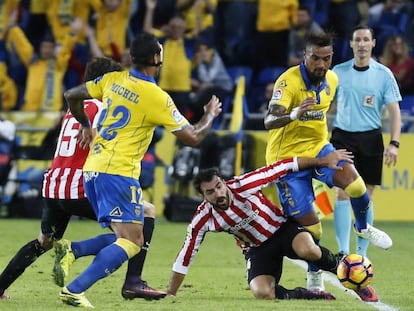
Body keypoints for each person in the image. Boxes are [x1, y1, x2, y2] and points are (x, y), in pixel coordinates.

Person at [60, 32, 222, 308]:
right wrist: (210, 115)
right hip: (118, 173)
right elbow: (193, 137)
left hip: (93, 169)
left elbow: (71, 94)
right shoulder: (156, 97)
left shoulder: (113, 79)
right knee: (133, 241)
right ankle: (75, 288)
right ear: (157, 59)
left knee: (131, 229)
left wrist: (86, 124)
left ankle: (77, 252)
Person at [0, 57, 165, 301]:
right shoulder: (104, 107)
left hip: (54, 185)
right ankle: (130, 280)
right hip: (80, 186)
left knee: (44, 241)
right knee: (140, 222)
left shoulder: (73, 109)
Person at [263, 31, 392, 298]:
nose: (321, 64)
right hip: (287, 161)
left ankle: (364, 227)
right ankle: (314, 273)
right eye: (315, 58)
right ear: (305, 56)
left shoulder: (332, 79)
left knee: (356, 186)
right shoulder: (288, 82)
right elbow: (269, 120)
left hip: (320, 149)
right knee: (314, 229)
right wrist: (296, 113)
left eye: (327, 58)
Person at [167, 150, 354, 300]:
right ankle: (304, 294)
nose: (218, 193)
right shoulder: (203, 217)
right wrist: (171, 293)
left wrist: (322, 161)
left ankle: (344, 269)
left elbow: (283, 166)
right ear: (203, 196)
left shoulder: (244, 185)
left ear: (224, 183)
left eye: (219, 186)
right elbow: (186, 253)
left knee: (309, 250)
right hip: (257, 249)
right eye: (210, 192)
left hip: (283, 230)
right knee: (262, 293)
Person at [330, 25, 402, 302]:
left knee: (367, 195)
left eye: (366, 40)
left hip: (372, 138)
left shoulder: (384, 74)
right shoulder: (337, 73)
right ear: (351, 44)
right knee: (342, 192)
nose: (361, 44)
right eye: (357, 40)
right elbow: (326, 104)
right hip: (343, 138)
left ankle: (361, 256)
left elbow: (394, 111)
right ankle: (342, 252)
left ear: (373, 44)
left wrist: (394, 143)